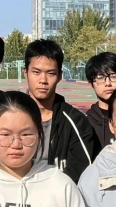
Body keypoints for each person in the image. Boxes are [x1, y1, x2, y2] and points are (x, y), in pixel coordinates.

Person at [23, 39, 99, 183]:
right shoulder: (9, 116)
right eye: (36, 72)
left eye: (51, 73)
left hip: (59, 195)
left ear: (59, 76)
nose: (43, 80)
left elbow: (81, 172)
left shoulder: (76, 121)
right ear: (25, 73)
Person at [85, 52, 116, 149]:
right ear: (91, 84)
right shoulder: (85, 123)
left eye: (114, 76)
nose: (108, 83)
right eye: (100, 78)